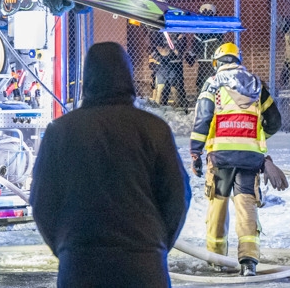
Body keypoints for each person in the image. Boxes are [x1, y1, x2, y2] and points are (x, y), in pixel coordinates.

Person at [30, 42, 189, 288]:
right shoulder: (154, 130)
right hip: (144, 265)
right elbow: (178, 196)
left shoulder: (60, 131)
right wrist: (155, 243)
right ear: (128, 77)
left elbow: (42, 202)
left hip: (81, 264)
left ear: (87, 79)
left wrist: (66, 246)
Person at [191, 41, 285, 277]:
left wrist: (196, 152)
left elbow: (203, 119)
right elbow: (274, 121)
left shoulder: (212, 84)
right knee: (246, 206)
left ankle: (216, 258)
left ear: (217, 63)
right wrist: (258, 138)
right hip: (250, 159)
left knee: (218, 206)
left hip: (221, 157)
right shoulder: (256, 84)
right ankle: (248, 262)